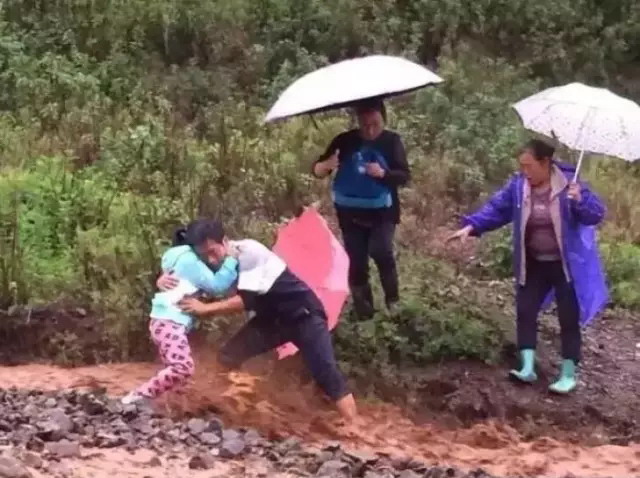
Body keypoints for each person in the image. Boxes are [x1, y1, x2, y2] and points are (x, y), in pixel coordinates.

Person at [447, 139, 608, 394]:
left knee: (568, 316)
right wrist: (472, 226)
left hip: (565, 264)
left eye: (529, 166)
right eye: (522, 166)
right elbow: (497, 209)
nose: (525, 171)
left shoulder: (570, 183)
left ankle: (568, 373)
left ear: (545, 163)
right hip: (533, 260)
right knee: (525, 309)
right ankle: (527, 366)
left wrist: (579, 201)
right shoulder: (519, 187)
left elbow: (596, 215)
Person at [157, 226, 358, 421]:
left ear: (225, 241)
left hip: (303, 315)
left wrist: (205, 309)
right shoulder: (210, 263)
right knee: (227, 356)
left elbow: (247, 300)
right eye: (204, 255)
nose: (211, 259)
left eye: (213, 252)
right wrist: (163, 279)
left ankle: (354, 428)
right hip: (272, 320)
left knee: (326, 373)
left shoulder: (249, 252)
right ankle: (222, 408)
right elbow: (184, 276)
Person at [121, 220, 239, 405]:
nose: (209, 259)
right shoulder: (190, 262)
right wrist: (231, 260)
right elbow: (217, 286)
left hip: (163, 320)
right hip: (170, 321)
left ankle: (162, 402)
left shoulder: (174, 255)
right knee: (183, 367)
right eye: (206, 253)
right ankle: (139, 396)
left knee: (176, 366)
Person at [312, 98, 410, 318]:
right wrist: (326, 165)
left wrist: (383, 173)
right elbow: (317, 170)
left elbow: (404, 176)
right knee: (356, 261)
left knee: (381, 250)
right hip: (350, 212)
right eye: (365, 124)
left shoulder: (392, 142)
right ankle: (364, 313)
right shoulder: (345, 141)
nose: (370, 129)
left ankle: (393, 304)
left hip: (383, 212)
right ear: (357, 121)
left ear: (383, 119)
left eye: (375, 123)